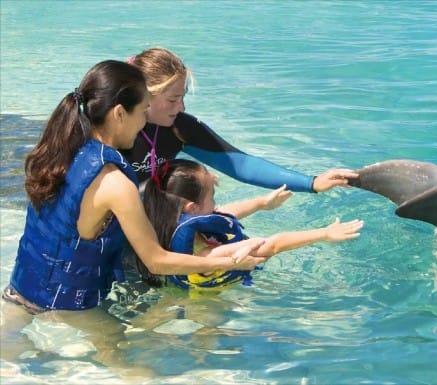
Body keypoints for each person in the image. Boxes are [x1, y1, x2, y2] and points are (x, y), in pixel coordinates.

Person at [2, 60, 267, 313]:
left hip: (21, 289)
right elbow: (156, 261)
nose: (143, 123)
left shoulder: (63, 149)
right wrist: (230, 262)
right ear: (119, 113)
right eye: (142, 112)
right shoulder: (115, 182)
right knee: (138, 360)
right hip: (63, 308)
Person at [122, 47, 357, 192]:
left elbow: (240, 165)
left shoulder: (178, 128)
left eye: (182, 97)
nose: (181, 107)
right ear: (145, 94)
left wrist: (312, 183)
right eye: (173, 99)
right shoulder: (109, 127)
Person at [140, 159, 364, 289]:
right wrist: (325, 233)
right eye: (212, 195)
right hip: (211, 302)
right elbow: (273, 244)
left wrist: (262, 203)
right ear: (192, 209)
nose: (216, 202)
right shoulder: (207, 255)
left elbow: (223, 215)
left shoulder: (163, 223)